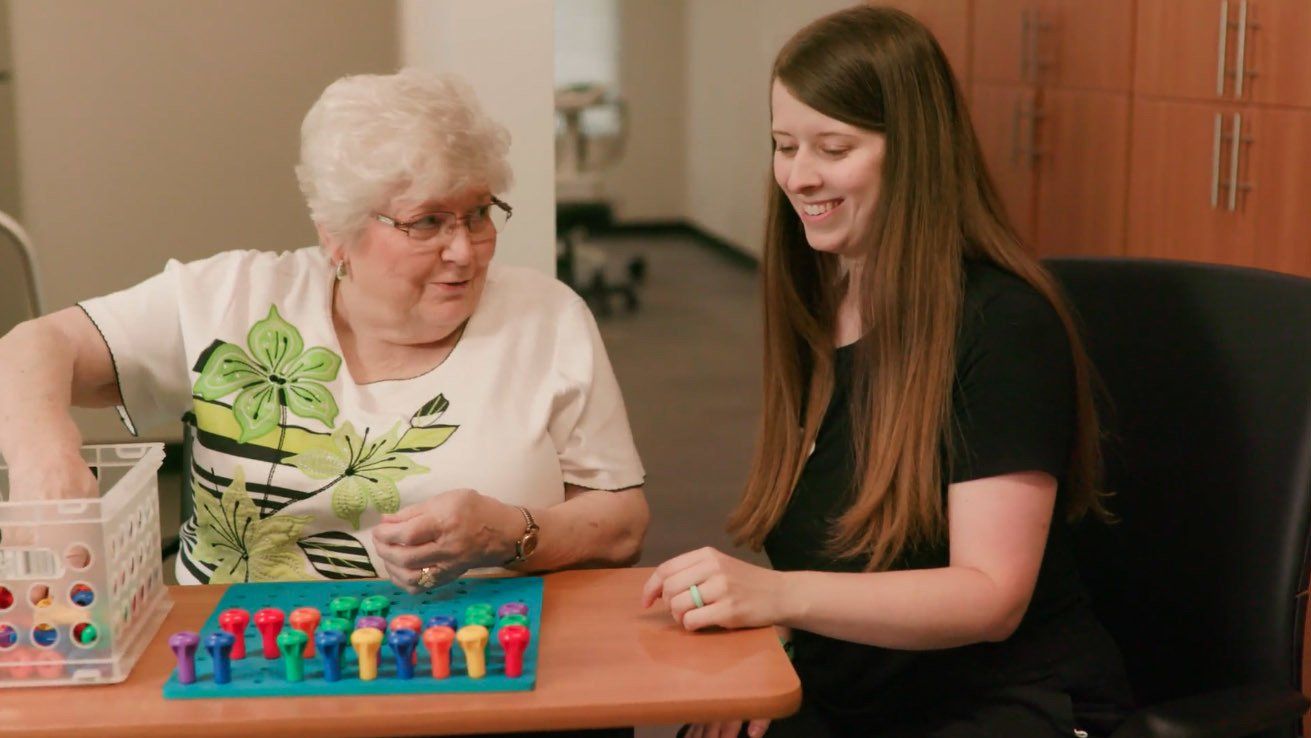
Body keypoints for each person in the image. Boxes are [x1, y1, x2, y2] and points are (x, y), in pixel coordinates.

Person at [642, 7, 1132, 738]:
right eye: (783, 145)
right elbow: (842, 561)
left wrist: (777, 599)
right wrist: (769, 654)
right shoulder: (825, 299)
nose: (798, 176)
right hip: (866, 691)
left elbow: (989, 597)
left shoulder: (1002, 324)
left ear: (914, 151)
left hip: (1003, 707)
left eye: (832, 147)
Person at [0, 69, 649, 597]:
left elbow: (620, 527)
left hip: (486, 659)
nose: (464, 249)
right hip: (249, 675)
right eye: (426, 222)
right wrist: (44, 457)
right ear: (336, 234)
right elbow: (31, 347)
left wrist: (511, 532)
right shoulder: (230, 300)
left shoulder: (546, 317)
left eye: (478, 213)